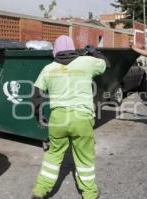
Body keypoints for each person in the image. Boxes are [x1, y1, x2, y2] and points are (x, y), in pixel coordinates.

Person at [31, 35, 106, 199]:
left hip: (58, 119)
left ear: (54, 52)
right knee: (84, 157)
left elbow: (35, 94)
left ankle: (40, 190)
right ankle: (89, 193)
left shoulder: (48, 69)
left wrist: (40, 116)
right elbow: (104, 64)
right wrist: (95, 52)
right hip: (82, 117)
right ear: (73, 49)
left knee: (53, 155)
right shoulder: (87, 62)